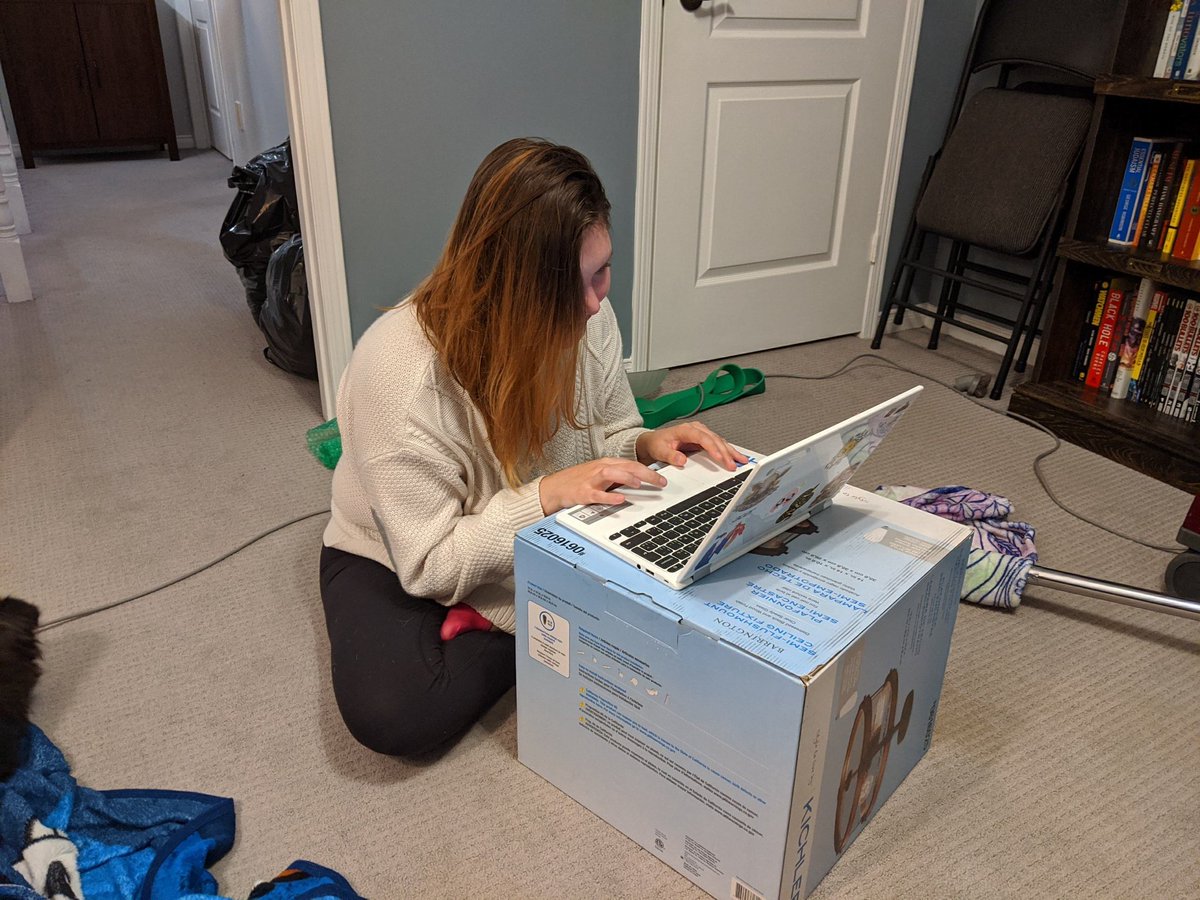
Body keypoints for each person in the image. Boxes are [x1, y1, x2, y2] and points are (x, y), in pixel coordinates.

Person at [319, 138, 746, 757]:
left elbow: (610, 435)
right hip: (394, 552)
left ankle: (503, 619)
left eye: (602, 270)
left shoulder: (589, 314)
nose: (596, 302)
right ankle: (504, 622)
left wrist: (649, 443)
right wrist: (545, 496)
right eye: (574, 285)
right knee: (395, 712)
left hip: (547, 522)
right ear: (505, 288)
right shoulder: (398, 375)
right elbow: (428, 564)